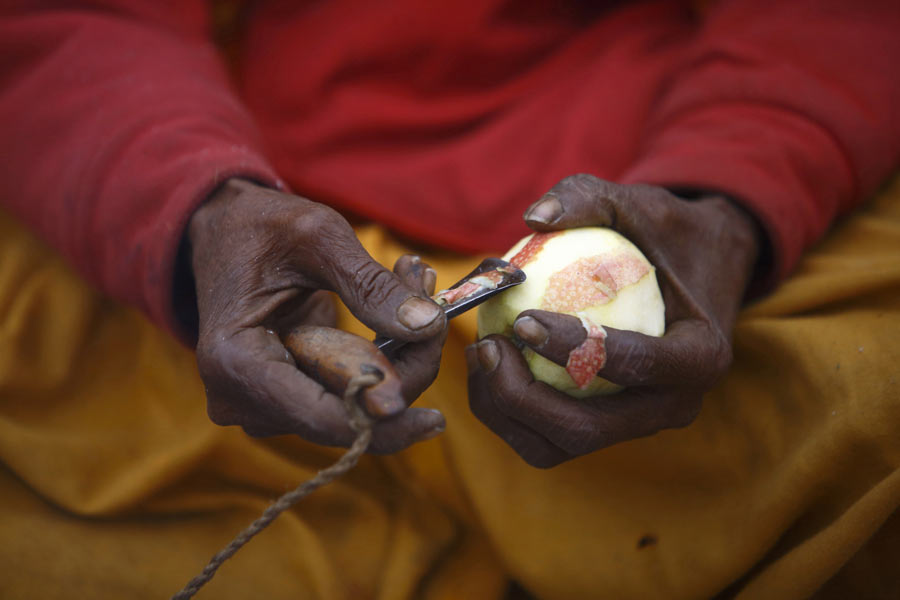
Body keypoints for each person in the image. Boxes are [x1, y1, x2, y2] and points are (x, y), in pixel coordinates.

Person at [0, 0, 898, 598]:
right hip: (253, 202)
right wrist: (195, 210)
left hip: (677, 200)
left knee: (862, 393)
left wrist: (733, 204)